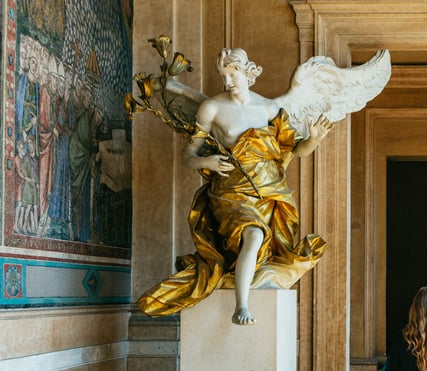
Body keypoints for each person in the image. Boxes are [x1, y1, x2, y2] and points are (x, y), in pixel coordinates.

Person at [137, 48, 330, 325]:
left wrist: (314, 139)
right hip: (230, 191)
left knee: (261, 243)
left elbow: (297, 151)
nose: (227, 82)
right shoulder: (212, 108)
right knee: (253, 235)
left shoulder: (270, 108)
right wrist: (209, 161)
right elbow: (187, 156)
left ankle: (244, 291)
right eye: (223, 76)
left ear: (248, 73)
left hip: (268, 191)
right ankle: (242, 306)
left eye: (232, 74)